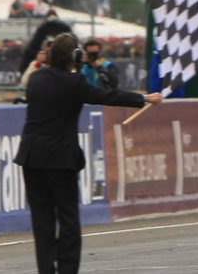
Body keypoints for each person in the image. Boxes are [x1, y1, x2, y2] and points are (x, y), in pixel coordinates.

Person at [17, 33, 159, 274]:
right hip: (60, 159)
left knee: (42, 220)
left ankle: (46, 269)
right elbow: (107, 95)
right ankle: (67, 269)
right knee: (68, 218)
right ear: (74, 56)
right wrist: (143, 98)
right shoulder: (73, 83)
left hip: (32, 157)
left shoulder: (36, 79)